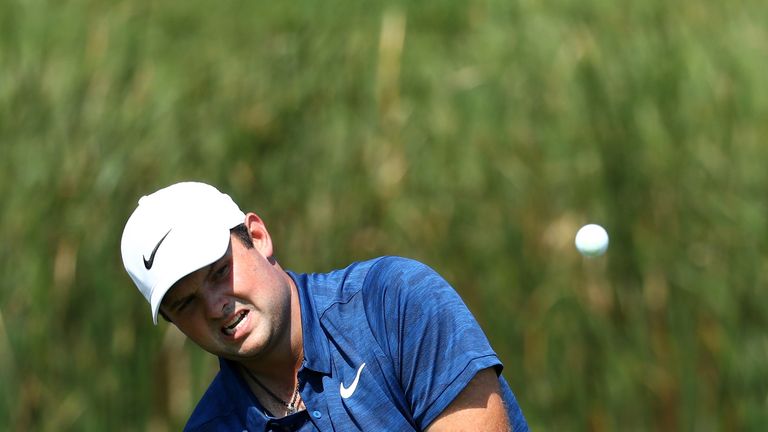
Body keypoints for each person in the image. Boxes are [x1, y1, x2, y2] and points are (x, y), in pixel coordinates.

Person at [120, 181, 528, 432]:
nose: (214, 306)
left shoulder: (394, 302)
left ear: (258, 237)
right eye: (187, 302)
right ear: (175, 322)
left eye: (218, 272)